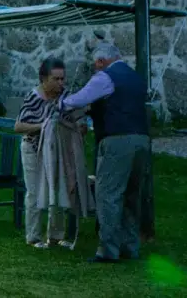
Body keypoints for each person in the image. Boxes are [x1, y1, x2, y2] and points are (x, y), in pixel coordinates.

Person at [60, 42, 149, 264]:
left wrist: (62, 103)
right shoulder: (136, 77)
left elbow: (80, 98)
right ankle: (130, 246)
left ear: (101, 61)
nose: (95, 69)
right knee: (131, 195)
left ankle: (108, 250)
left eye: (96, 65)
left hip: (117, 140)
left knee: (108, 194)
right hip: (142, 140)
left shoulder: (105, 77)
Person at [14, 57, 86, 249]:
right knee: (35, 192)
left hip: (58, 152)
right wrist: (44, 126)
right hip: (33, 149)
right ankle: (33, 237)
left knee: (58, 189)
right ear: (44, 79)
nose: (60, 83)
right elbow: (19, 126)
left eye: (62, 79)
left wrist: (79, 127)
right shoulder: (33, 97)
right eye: (56, 79)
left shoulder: (66, 97)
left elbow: (78, 119)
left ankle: (55, 236)